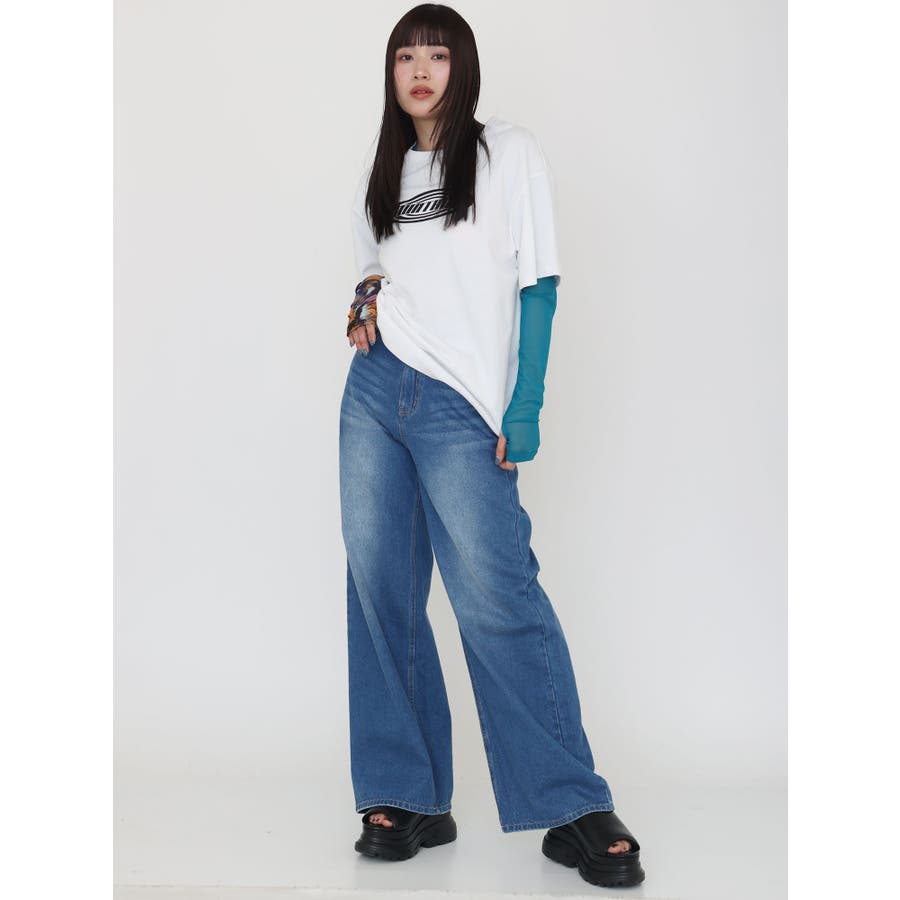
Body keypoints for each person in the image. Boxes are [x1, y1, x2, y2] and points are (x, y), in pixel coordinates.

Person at [339, 4, 645, 889]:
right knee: (380, 592)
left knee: (496, 596)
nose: (420, 69)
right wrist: (363, 307)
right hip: (374, 394)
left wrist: (527, 403)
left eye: (437, 55)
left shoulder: (507, 153)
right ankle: (408, 796)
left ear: (462, 66)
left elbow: (537, 285)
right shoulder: (384, 168)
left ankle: (572, 803)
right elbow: (376, 267)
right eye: (406, 55)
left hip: (462, 408)